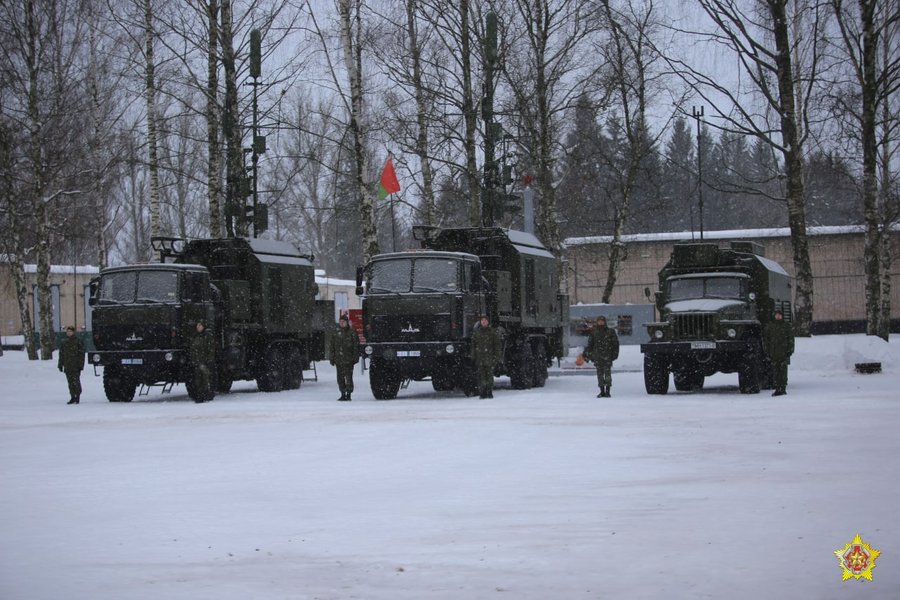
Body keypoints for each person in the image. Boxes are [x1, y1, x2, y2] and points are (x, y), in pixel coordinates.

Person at [585, 315, 619, 398]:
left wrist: (614, 355)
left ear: (604, 322)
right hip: (597, 357)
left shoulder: (610, 332)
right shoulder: (593, 333)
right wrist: (590, 355)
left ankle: (608, 391)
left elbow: (615, 344)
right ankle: (602, 391)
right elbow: (590, 346)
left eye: (602, 321)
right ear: (597, 322)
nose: (600, 322)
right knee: (599, 375)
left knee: (607, 375)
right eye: (599, 321)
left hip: (607, 356)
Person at [763, 309, 794, 396]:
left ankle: (782, 388)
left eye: (779, 315)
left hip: (784, 353)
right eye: (776, 315)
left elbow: (791, 339)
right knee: (776, 372)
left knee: (783, 372)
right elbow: (766, 340)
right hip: (773, 353)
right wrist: (767, 351)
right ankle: (777, 388)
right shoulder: (770, 326)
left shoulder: (786, 326)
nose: (778, 316)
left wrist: (790, 350)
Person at [470, 315, 502, 399]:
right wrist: (473, 356)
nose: (483, 322)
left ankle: (489, 391)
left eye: (485, 320)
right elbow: (473, 345)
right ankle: (483, 392)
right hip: (480, 358)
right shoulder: (477, 333)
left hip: (490, 358)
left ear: (488, 322)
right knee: (481, 376)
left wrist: (496, 357)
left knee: (489, 376)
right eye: (482, 320)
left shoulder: (492, 333)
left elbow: (497, 346)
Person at [330, 314, 360, 401]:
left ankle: (349, 394)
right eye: (340, 322)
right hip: (338, 360)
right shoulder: (336, 333)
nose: (342, 323)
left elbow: (356, 346)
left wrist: (355, 357)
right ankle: (342, 393)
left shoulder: (352, 333)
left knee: (349, 378)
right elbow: (332, 347)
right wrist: (332, 358)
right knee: (340, 378)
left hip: (348, 359)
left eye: (343, 322)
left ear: (347, 322)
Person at [58, 325, 86, 404]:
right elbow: (62, 355)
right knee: (70, 382)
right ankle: (72, 396)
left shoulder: (78, 342)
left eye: (70, 331)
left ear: (73, 332)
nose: (69, 333)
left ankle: (77, 396)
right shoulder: (65, 342)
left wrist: (80, 365)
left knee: (76, 381)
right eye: (68, 332)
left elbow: (81, 355)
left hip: (76, 365)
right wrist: (60, 364)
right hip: (68, 365)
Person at [190, 320, 216, 402]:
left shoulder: (207, 336)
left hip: (205, 361)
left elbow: (211, 349)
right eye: (197, 326)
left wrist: (209, 360)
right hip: (197, 362)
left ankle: (207, 395)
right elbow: (193, 350)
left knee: (205, 379)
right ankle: (200, 396)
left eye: (200, 326)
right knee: (198, 380)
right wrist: (194, 360)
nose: (198, 327)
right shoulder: (195, 336)